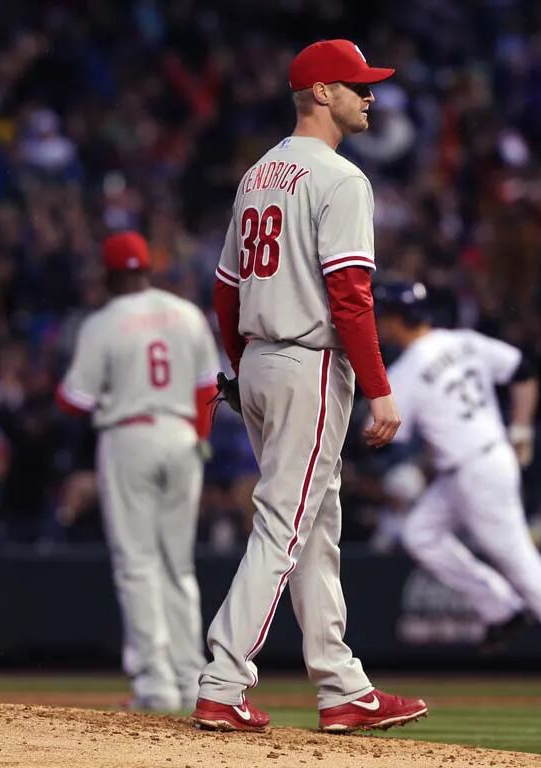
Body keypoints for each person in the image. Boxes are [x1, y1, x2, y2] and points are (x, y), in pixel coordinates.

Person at [194, 39, 427, 734]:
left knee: (315, 527)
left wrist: (241, 366)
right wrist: (381, 388)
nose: (370, 97)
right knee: (286, 525)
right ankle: (222, 678)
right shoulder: (340, 179)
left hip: (263, 359)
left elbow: (224, 291)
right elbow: (350, 296)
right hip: (310, 363)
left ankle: (340, 688)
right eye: (357, 86)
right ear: (321, 92)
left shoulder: (257, 175)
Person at [374, 280, 541, 704]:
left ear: (395, 320)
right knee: (419, 533)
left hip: (474, 472)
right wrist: (521, 426)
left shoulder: (404, 372)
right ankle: (499, 607)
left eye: (382, 316)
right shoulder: (464, 341)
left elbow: (383, 435)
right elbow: (522, 369)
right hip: (481, 462)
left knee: (524, 567)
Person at [57, 231, 219, 711]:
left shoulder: (104, 323)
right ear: (148, 267)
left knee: (137, 564)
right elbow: (209, 386)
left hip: (130, 436)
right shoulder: (186, 313)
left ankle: (155, 686)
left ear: (108, 275)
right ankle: (193, 682)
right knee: (179, 566)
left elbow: (73, 401)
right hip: (184, 436)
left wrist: (108, 394)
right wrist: (198, 442)